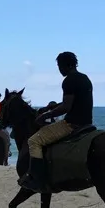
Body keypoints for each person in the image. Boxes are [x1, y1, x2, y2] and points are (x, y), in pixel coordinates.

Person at [18, 52, 94, 193]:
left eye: (60, 66)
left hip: (72, 124)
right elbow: (73, 100)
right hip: (87, 122)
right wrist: (51, 107)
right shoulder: (84, 78)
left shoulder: (69, 80)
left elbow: (66, 107)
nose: (59, 69)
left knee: (34, 141)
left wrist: (45, 115)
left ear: (67, 65)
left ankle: (35, 178)